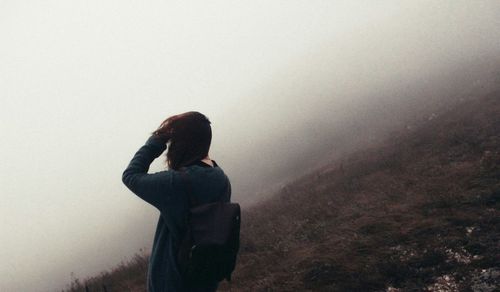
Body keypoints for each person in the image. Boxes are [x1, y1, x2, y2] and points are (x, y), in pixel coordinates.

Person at [122, 111, 232, 291]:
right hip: (204, 280)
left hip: (174, 283)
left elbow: (130, 176)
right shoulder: (221, 178)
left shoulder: (176, 183)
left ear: (180, 145)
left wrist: (155, 142)